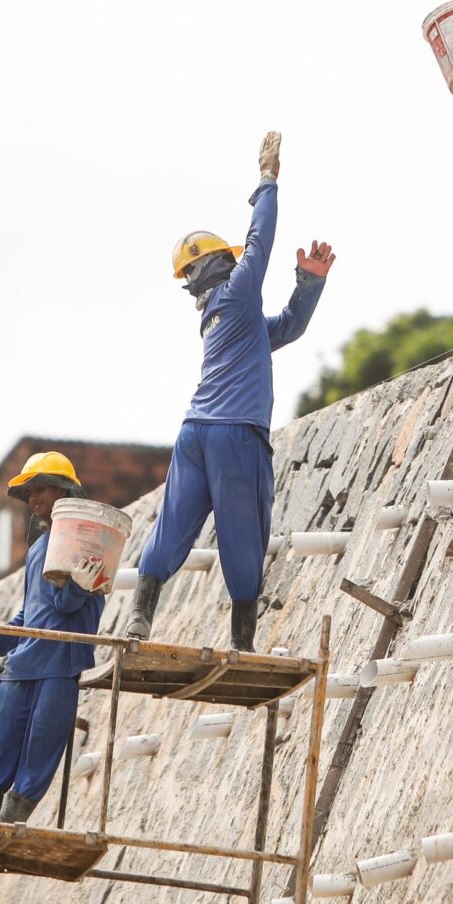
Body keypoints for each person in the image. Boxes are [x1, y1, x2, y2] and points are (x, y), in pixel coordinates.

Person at [128, 130, 333, 652]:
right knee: (245, 538)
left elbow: (286, 328)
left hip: (194, 431)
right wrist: (267, 179)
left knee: (172, 527)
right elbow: (261, 238)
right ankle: (243, 643)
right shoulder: (238, 291)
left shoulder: (224, 318)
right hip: (236, 434)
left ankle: (139, 618)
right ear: (220, 263)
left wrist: (308, 284)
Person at [0, 452, 102, 823]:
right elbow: (29, 615)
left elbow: (68, 605)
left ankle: (6, 830)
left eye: (41, 489)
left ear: (64, 492)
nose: (33, 498)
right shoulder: (38, 548)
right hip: (22, 663)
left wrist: (82, 584)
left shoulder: (92, 544)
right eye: (30, 492)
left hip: (60, 665)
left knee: (41, 747)